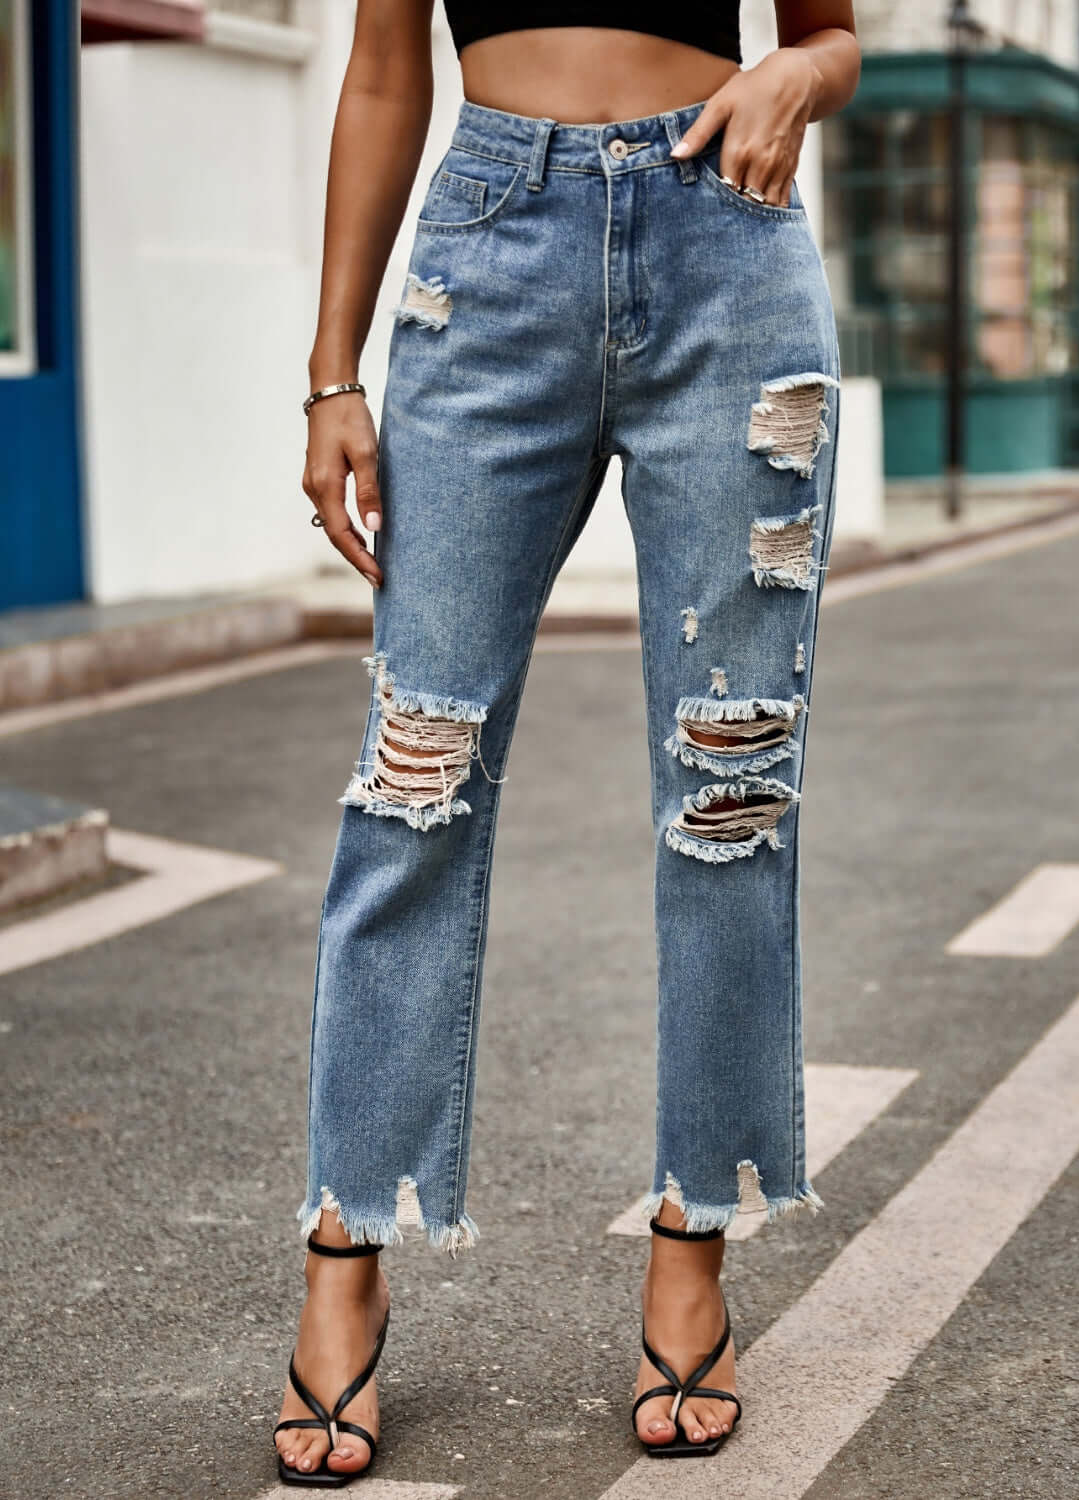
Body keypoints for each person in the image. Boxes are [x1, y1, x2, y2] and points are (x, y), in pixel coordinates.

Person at [273, 0, 861, 1484]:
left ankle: (692, 1237)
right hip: (489, 256)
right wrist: (334, 372)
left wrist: (796, 71)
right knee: (413, 782)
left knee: (729, 787)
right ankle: (348, 1241)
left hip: (726, 245)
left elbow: (830, 38)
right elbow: (387, 64)